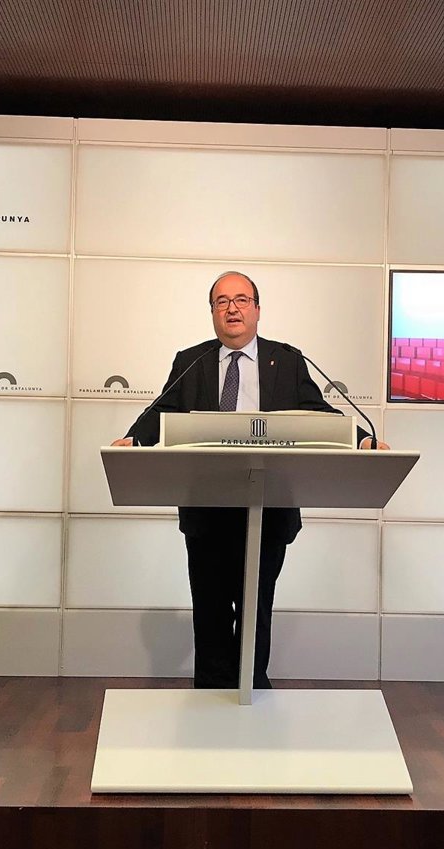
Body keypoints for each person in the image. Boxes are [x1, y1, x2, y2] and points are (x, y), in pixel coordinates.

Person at [111, 271, 389, 689]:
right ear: (212, 312)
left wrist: (362, 439)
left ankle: (252, 692)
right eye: (222, 302)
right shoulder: (191, 361)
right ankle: (210, 695)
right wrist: (134, 439)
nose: (232, 309)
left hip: (268, 507)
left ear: (257, 309)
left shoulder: (287, 360)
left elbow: (319, 414)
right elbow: (161, 412)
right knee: (209, 609)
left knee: (256, 608)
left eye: (241, 300)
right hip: (206, 509)